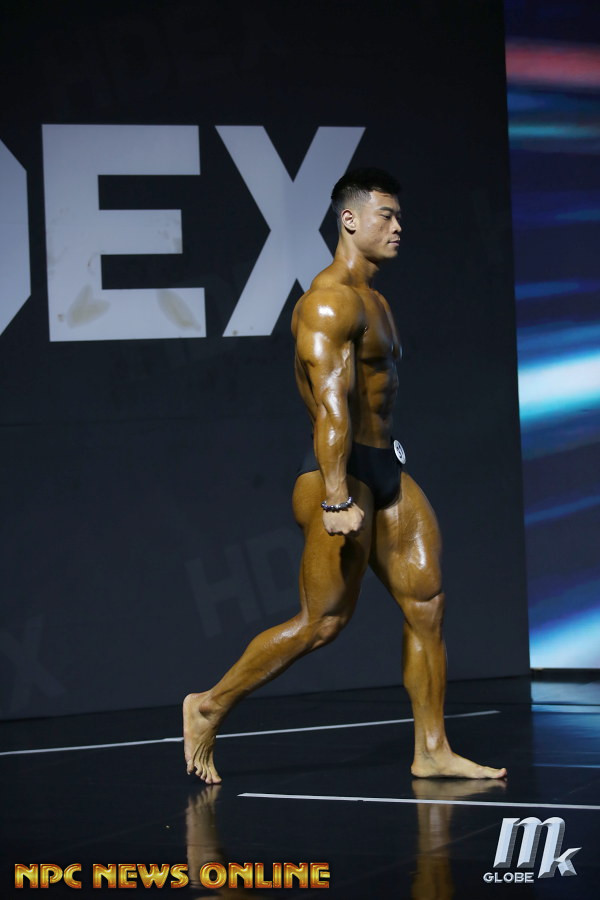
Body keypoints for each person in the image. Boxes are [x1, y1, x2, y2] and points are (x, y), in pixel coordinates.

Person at [183, 168, 506, 783]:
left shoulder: (376, 300)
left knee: (427, 602)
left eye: (399, 215)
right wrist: (335, 497)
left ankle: (432, 749)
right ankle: (207, 706)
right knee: (324, 622)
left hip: (384, 465)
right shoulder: (329, 301)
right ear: (349, 220)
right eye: (386, 215)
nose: (398, 226)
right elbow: (332, 406)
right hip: (337, 474)